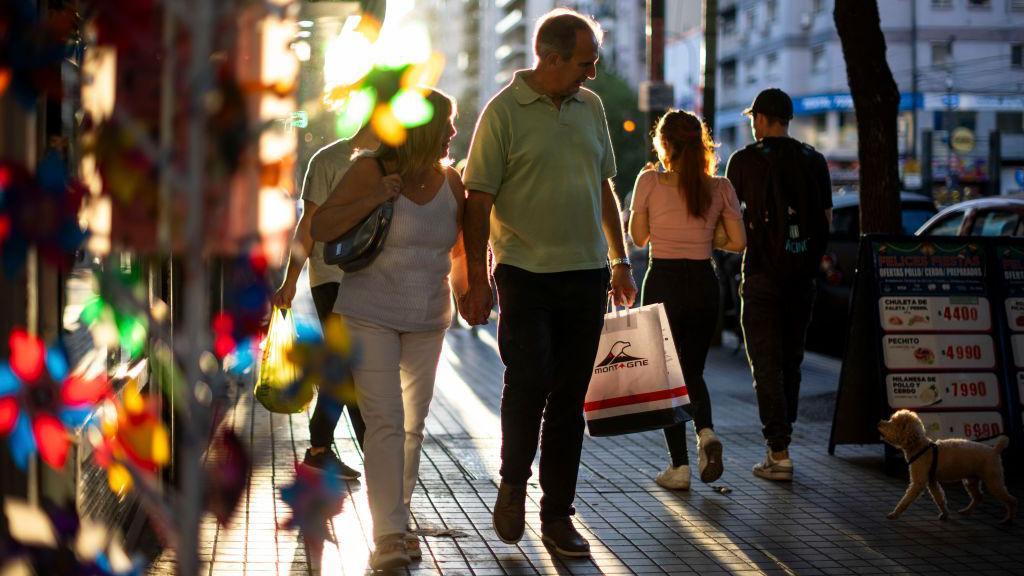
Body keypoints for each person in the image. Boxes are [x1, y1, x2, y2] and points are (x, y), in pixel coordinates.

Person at [460, 9, 637, 560]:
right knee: (529, 379)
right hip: (523, 274)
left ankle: (557, 514)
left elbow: (604, 186)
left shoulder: (593, 106)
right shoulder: (503, 112)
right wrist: (473, 281)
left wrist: (621, 260)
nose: (593, 71)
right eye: (586, 62)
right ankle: (513, 483)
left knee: (569, 400)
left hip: (585, 275)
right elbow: (477, 200)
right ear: (552, 58)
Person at [310, 89, 467, 570]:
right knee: (385, 422)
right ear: (422, 127)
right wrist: (379, 194)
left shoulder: (452, 183)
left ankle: (396, 517)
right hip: (369, 311)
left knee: (413, 427)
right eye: (448, 124)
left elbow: (458, 252)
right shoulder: (370, 169)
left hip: (428, 317)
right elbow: (321, 226)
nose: (454, 133)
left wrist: (472, 296)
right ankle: (390, 533)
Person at [628, 110, 746, 491]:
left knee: (667, 379)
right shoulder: (720, 187)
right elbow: (739, 242)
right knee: (692, 371)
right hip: (703, 282)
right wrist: (707, 238)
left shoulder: (649, 181)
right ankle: (707, 432)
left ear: (665, 144)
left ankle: (678, 467)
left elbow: (639, 238)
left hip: (662, 279)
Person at [725, 88, 832, 482]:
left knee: (766, 365)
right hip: (802, 279)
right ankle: (781, 442)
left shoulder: (744, 161)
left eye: (755, 117)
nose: (753, 124)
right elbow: (826, 219)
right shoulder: (814, 160)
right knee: (792, 361)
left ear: (763, 118)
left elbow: (728, 218)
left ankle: (779, 450)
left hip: (761, 275)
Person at [271, 126, 378, 481]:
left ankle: (320, 450)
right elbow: (309, 225)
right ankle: (373, 453)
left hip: (374, 283)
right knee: (350, 368)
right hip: (332, 280)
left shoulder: (392, 163)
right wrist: (290, 281)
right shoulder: (329, 159)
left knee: (346, 368)